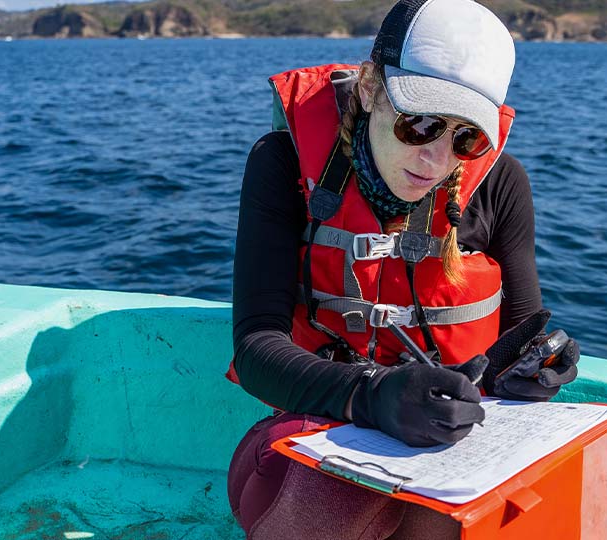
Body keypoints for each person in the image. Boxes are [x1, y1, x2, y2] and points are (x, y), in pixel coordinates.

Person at [226, 0, 580, 538]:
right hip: (310, 435)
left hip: (451, 447)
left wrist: (538, 366)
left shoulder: (503, 186)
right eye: (420, 123)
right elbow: (256, 349)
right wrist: (370, 395)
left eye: (466, 138)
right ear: (370, 87)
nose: (436, 160)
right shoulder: (281, 163)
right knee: (333, 504)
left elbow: (519, 333)